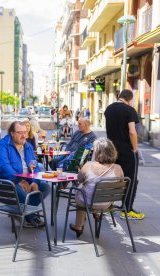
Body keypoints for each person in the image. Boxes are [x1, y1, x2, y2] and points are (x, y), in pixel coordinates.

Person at [0, 121, 51, 227]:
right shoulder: (3, 145)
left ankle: (20, 211)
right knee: (20, 191)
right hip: (6, 182)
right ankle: (30, 216)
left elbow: (35, 165)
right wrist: (19, 181)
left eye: (25, 132)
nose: (24, 135)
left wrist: (34, 181)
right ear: (12, 133)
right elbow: (4, 167)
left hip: (26, 179)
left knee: (46, 187)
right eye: (20, 132)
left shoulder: (27, 146)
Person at [69, 137, 124, 237]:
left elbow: (79, 179)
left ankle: (78, 226)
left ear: (97, 152)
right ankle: (96, 213)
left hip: (87, 202)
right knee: (89, 189)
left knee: (81, 189)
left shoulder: (89, 165)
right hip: (107, 203)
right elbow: (119, 185)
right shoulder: (118, 168)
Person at [104, 89, 143, 220]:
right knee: (130, 179)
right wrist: (135, 148)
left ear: (119, 96)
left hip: (111, 149)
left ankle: (107, 205)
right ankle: (127, 209)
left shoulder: (108, 109)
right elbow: (132, 132)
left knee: (113, 177)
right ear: (130, 99)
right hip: (126, 150)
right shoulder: (129, 110)